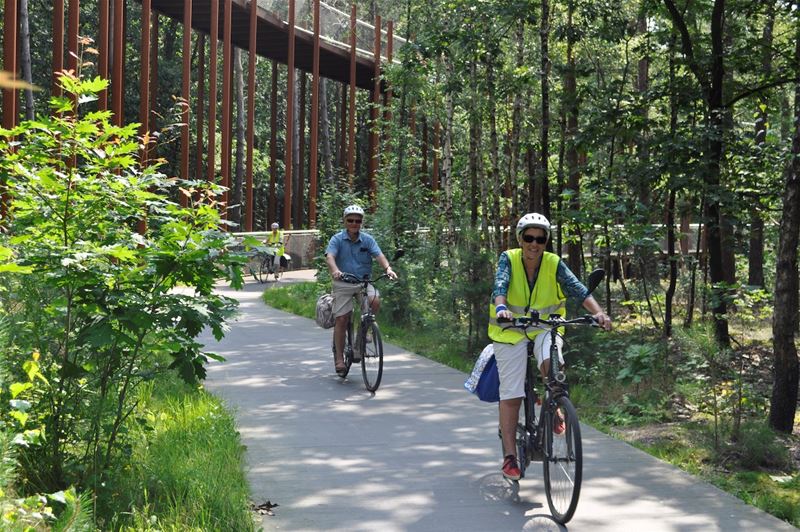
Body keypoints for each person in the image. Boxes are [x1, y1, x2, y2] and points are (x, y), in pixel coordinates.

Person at [489, 212, 612, 481]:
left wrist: (599, 313)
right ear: (520, 239)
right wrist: (501, 307)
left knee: (552, 367)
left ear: (546, 241)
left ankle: (555, 403)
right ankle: (510, 456)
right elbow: (500, 284)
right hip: (510, 329)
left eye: (541, 239)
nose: (535, 244)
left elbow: (578, 290)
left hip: (545, 327)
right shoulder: (508, 259)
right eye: (529, 238)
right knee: (511, 394)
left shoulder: (553, 263)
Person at [325, 205, 397, 375]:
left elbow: (379, 255)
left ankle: (362, 336)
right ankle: (339, 359)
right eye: (350, 220)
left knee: (375, 300)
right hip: (343, 283)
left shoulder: (367, 240)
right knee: (342, 319)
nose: (354, 223)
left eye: (358, 221)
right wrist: (335, 270)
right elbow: (330, 257)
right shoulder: (337, 239)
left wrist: (388, 269)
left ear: (362, 222)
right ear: (345, 221)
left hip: (363, 282)